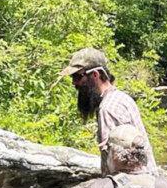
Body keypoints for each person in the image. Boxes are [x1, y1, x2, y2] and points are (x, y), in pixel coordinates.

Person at [61, 47, 158, 175]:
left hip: (129, 187)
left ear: (95, 74)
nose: (74, 83)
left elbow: (116, 161)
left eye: (77, 76)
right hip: (147, 180)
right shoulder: (122, 97)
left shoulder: (107, 109)